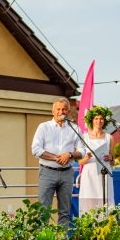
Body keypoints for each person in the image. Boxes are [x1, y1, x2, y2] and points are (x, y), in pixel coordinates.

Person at [31, 97, 85, 227]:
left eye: (64, 109)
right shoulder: (43, 127)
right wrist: (56, 158)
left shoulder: (75, 128)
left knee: (65, 212)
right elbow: (35, 149)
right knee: (43, 211)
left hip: (67, 173)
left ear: (68, 111)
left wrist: (70, 154)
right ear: (53, 111)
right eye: (59, 109)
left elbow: (82, 150)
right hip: (47, 172)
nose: (62, 112)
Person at [77, 106, 116, 215]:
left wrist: (110, 158)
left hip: (105, 172)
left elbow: (113, 162)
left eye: (101, 119)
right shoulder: (84, 137)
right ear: (91, 120)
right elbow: (80, 162)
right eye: (96, 119)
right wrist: (87, 157)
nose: (99, 121)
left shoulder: (110, 137)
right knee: (89, 201)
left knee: (105, 199)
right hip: (89, 173)